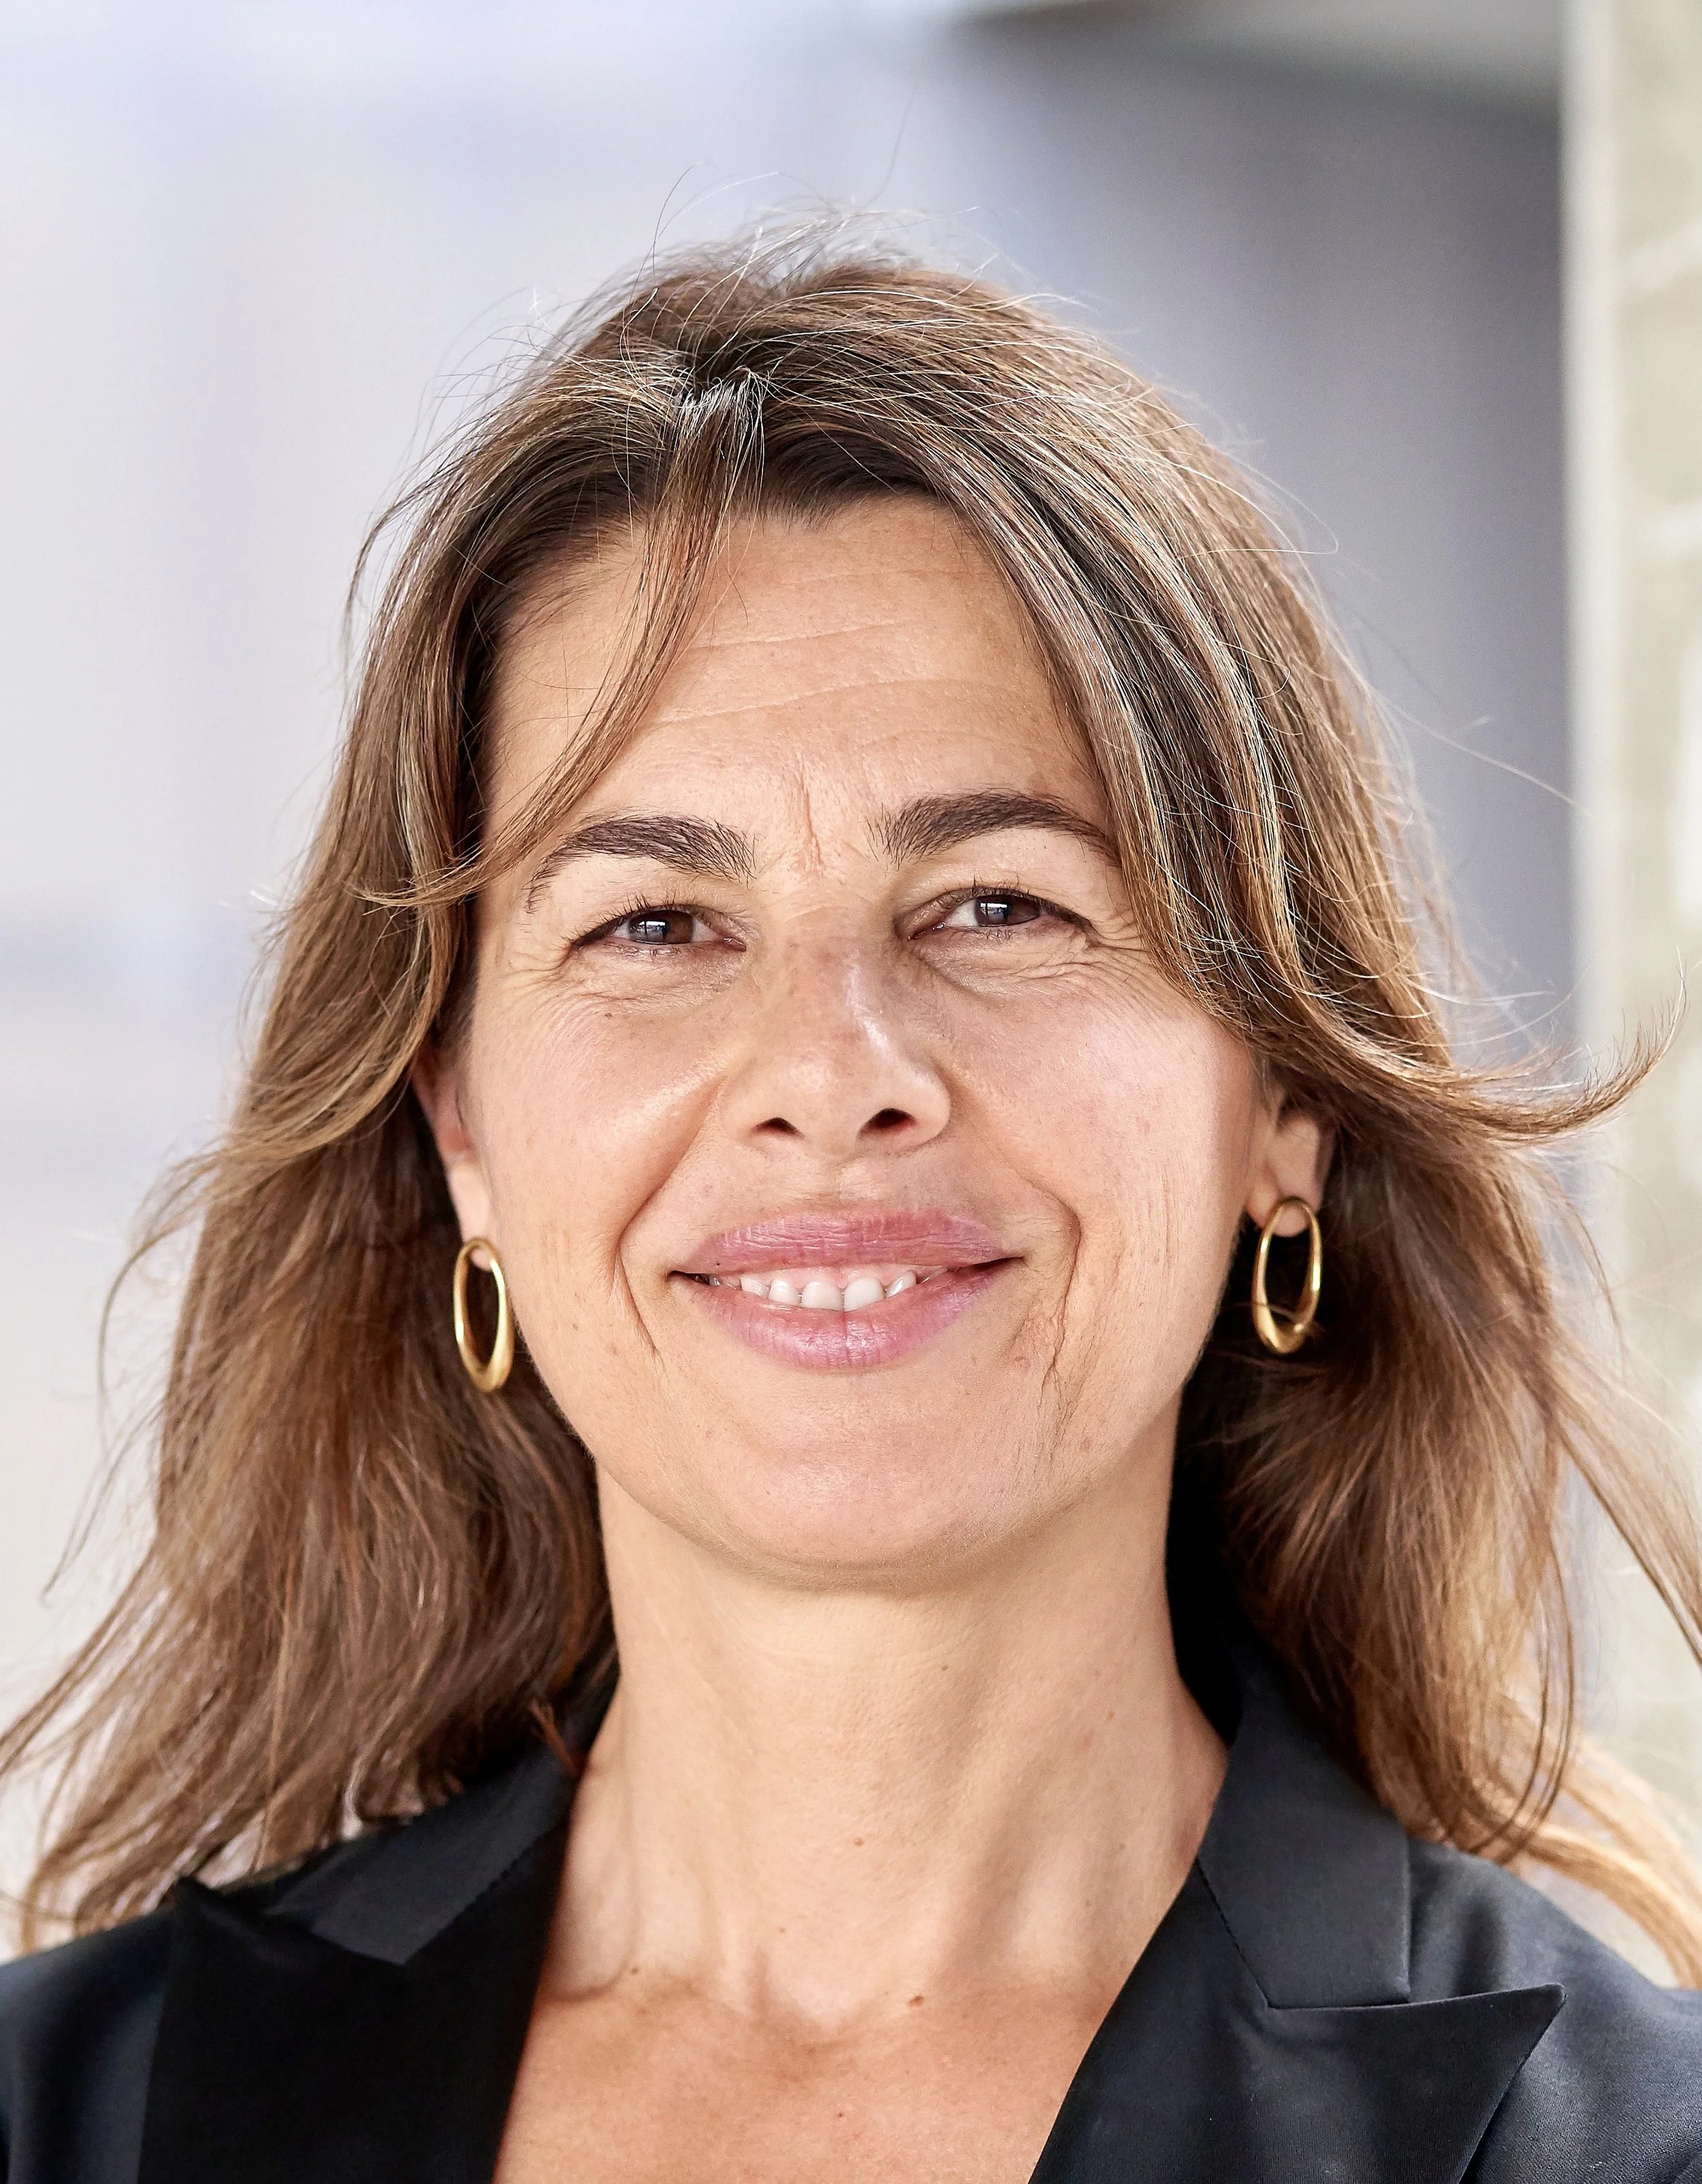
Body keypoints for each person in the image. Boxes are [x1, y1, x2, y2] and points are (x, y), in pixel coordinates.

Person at [2, 232, 1701, 2184]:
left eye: (997, 904)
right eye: (657, 923)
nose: (831, 1071)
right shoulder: (60, 2119)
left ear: (1284, 1104)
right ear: (459, 1127)